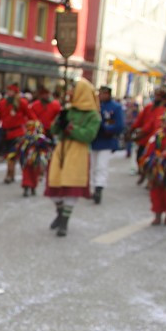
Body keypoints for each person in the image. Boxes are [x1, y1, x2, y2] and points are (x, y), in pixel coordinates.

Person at [45, 80, 101, 237]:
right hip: (61, 149)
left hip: (78, 151)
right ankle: (60, 212)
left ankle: (64, 222)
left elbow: (88, 136)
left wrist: (71, 127)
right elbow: (54, 130)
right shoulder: (68, 110)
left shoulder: (93, 115)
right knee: (54, 183)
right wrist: (59, 121)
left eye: (73, 90)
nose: (69, 93)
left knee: (70, 186)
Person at [90, 86, 125, 204]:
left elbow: (119, 125)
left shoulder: (115, 107)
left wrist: (105, 127)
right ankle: (94, 186)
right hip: (94, 140)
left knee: (101, 165)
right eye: (100, 93)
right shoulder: (94, 105)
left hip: (106, 140)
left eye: (103, 93)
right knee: (93, 166)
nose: (101, 95)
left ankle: (99, 187)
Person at [0, 84, 28, 184]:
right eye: (8, 91)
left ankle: (9, 174)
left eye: (12, 91)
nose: (9, 93)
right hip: (6, 133)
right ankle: (11, 173)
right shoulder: (2, 103)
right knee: (8, 155)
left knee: (12, 154)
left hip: (17, 133)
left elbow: (29, 114)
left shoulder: (22, 103)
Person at [16, 119, 53, 197]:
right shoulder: (32, 138)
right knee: (31, 174)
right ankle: (31, 188)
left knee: (30, 174)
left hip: (34, 159)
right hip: (30, 160)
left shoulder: (37, 138)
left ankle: (30, 188)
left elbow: (20, 148)